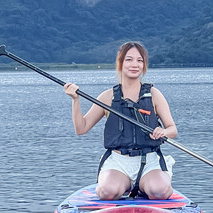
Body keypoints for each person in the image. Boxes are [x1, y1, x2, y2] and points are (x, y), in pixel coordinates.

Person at [63, 41, 177, 200]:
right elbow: (81, 128)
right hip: (118, 162)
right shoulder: (107, 97)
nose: (134, 64)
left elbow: (173, 129)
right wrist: (75, 100)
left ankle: (147, 186)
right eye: (129, 60)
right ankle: (124, 186)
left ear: (144, 65)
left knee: (160, 191)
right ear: (120, 63)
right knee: (106, 192)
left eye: (139, 60)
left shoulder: (154, 94)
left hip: (149, 161)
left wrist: (163, 131)